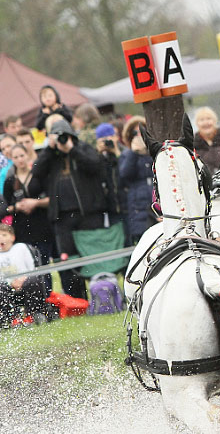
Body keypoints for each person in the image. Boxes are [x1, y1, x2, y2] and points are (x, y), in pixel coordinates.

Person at [29, 118, 108, 300]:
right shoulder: (49, 157)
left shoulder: (83, 149)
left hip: (87, 214)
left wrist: (72, 150)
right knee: (68, 261)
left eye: (66, 136)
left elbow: (95, 166)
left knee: (92, 255)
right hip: (62, 217)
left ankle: (101, 297)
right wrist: (49, 149)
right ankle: (78, 300)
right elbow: (35, 176)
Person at [4, 144, 53, 282]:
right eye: (16, 157)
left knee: (44, 264)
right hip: (22, 229)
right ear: (11, 159)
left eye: (22, 156)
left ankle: (48, 296)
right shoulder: (10, 181)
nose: (20, 159)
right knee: (27, 266)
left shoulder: (38, 175)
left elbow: (52, 199)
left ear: (27, 155)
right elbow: (6, 207)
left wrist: (36, 202)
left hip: (41, 225)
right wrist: (17, 206)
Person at [0, 224, 48, 326]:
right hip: (7, 287)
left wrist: (22, 279)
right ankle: (12, 318)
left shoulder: (21, 248)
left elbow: (33, 269)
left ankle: (32, 314)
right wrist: (10, 283)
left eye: (4, 235)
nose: (1, 238)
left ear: (12, 237)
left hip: (26, 281)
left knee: (33, 281)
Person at [118, 116, 155, 245]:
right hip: (139, 209)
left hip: (157, 205)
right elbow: (125, 174)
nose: (139, 136)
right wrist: (134, 152)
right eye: (135, 133)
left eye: (142, 132)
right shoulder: (127, 155)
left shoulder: (155, 153)